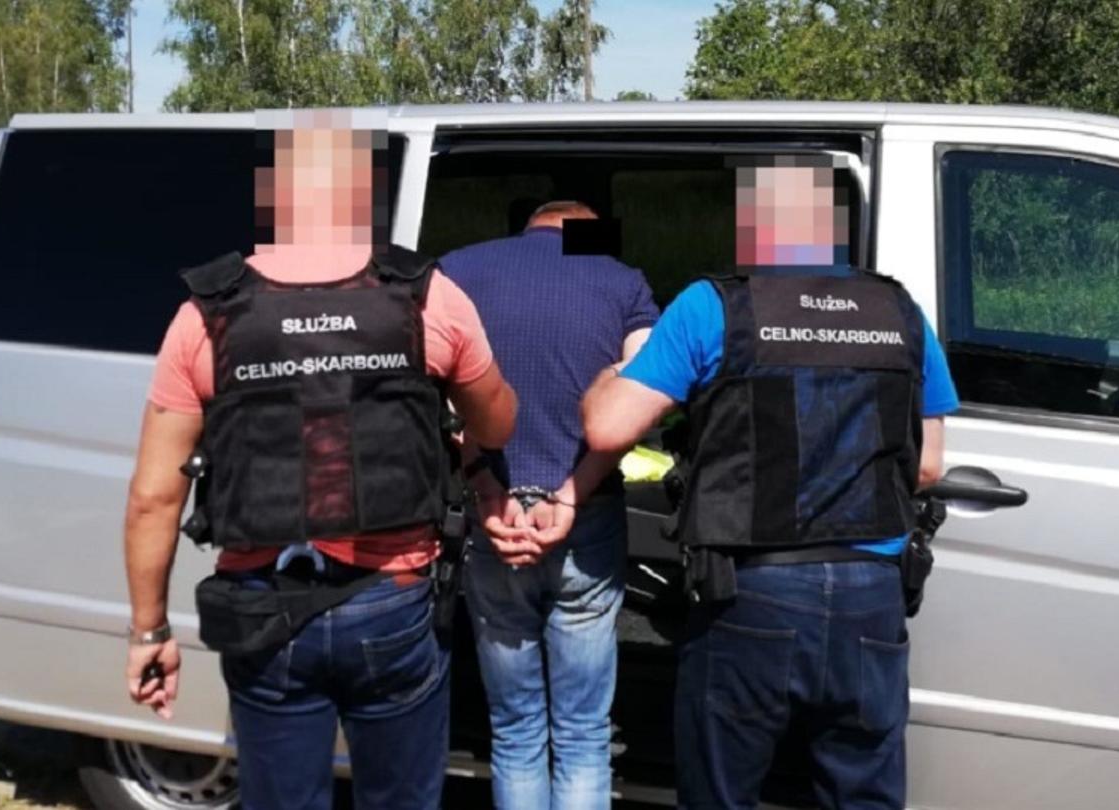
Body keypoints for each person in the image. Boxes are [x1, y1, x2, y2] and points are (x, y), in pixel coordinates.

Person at [121, 113, 518, 810]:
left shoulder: (206, 314)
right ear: (364, 196)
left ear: (273, 197)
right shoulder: (428, 296)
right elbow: (497, 421)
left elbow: (155, 497)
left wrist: (149, 630)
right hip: (391, 602)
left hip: (263, 608)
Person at [579, 156, 958, 810]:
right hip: (871, 594)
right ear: (834, 227)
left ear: (753, 224)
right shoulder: (900, 310)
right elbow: (927, 467)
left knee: (722, 792)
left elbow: (608, 429)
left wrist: (615, 372)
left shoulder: (714, 307)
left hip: (753, 593)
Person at [439, 201, 659, 810]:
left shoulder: (457, 270)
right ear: (588, 231)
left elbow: (435, 393)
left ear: (530, 226)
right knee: (584, 733)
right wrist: (572, 492)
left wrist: (487, 487)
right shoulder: (623, 281)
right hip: (586, 515)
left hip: (496, 520)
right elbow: (643, 394)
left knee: (514, 729)